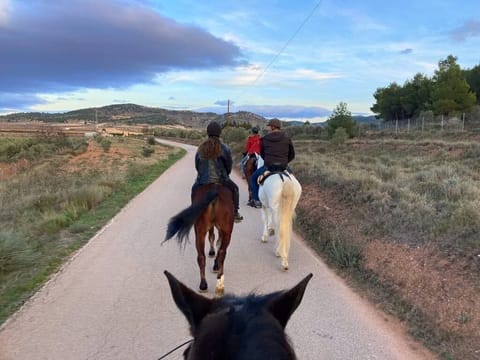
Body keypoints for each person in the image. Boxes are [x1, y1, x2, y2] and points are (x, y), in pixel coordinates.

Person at [192, 121, 243, 222]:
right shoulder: (224, 148)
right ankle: (236, 212)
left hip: (203, 180)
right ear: (220, 133)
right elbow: (229, 166)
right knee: (235, 189)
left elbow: (197, 165)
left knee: (194, 190)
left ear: (208, 132)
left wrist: (202, 175)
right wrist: (226, 176)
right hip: (221, 180)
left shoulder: (201, 148)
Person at [248, 119, 295, 208]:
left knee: (253, 179)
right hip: (283, 166)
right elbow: (292, 155)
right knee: (293, 179)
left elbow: (262, 154)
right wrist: (284, 162)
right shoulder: (287, 139)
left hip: (268, 167)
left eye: (269, 126)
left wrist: (268, 160)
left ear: (273, 127)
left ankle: (256, 200)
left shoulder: (265, 139)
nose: (269, 128)